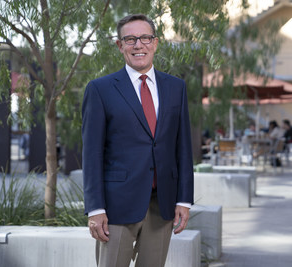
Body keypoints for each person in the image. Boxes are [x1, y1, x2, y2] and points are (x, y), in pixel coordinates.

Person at [82, 14, 194, 267]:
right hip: (116, 207)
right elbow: (91, 154)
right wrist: (95, 208)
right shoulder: (100, 89)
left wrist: (184, 200)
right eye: (130, 39)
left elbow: (183, 148)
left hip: (162, 204)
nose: (138, 45)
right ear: (120, 46)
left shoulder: (176, 87)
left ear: (155, 43)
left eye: (144, 38)